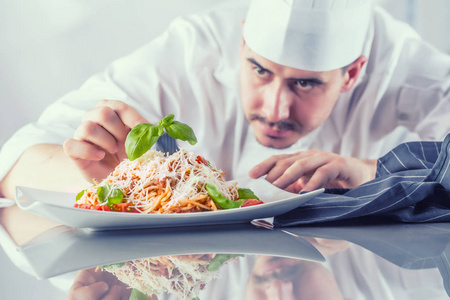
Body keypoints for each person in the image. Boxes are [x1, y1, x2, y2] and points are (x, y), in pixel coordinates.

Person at [1, 0, 450, 201]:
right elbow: (13, 163)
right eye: (259, 70)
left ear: (353, 73)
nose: (275, 109)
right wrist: (117, 185)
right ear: (241, 46)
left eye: (306, 84)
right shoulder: (192, 50)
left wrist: (378, 172)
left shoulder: (401, 62)